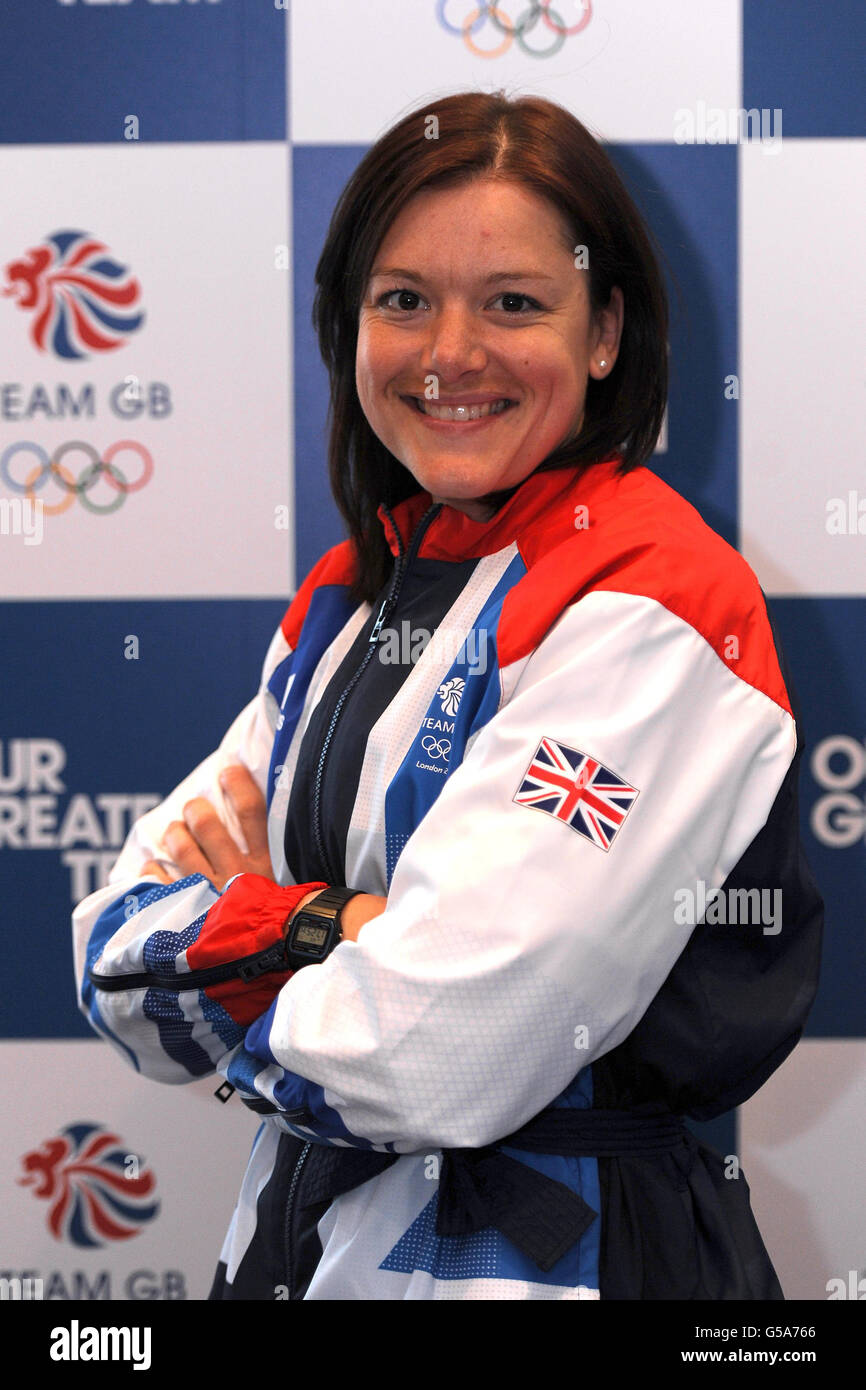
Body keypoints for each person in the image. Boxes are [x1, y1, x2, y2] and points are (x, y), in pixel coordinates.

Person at [72, 91, 823, 1300]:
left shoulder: (657, 594)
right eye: (402, 299)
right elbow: (109, 967)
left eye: (513, 301)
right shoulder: (349, 597)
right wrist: (330, 926)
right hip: (292, 1250)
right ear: (347, 325)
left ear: (604, 331)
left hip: (567, 1263)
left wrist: (247, 928)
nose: (449, 353)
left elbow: (433, 1051)